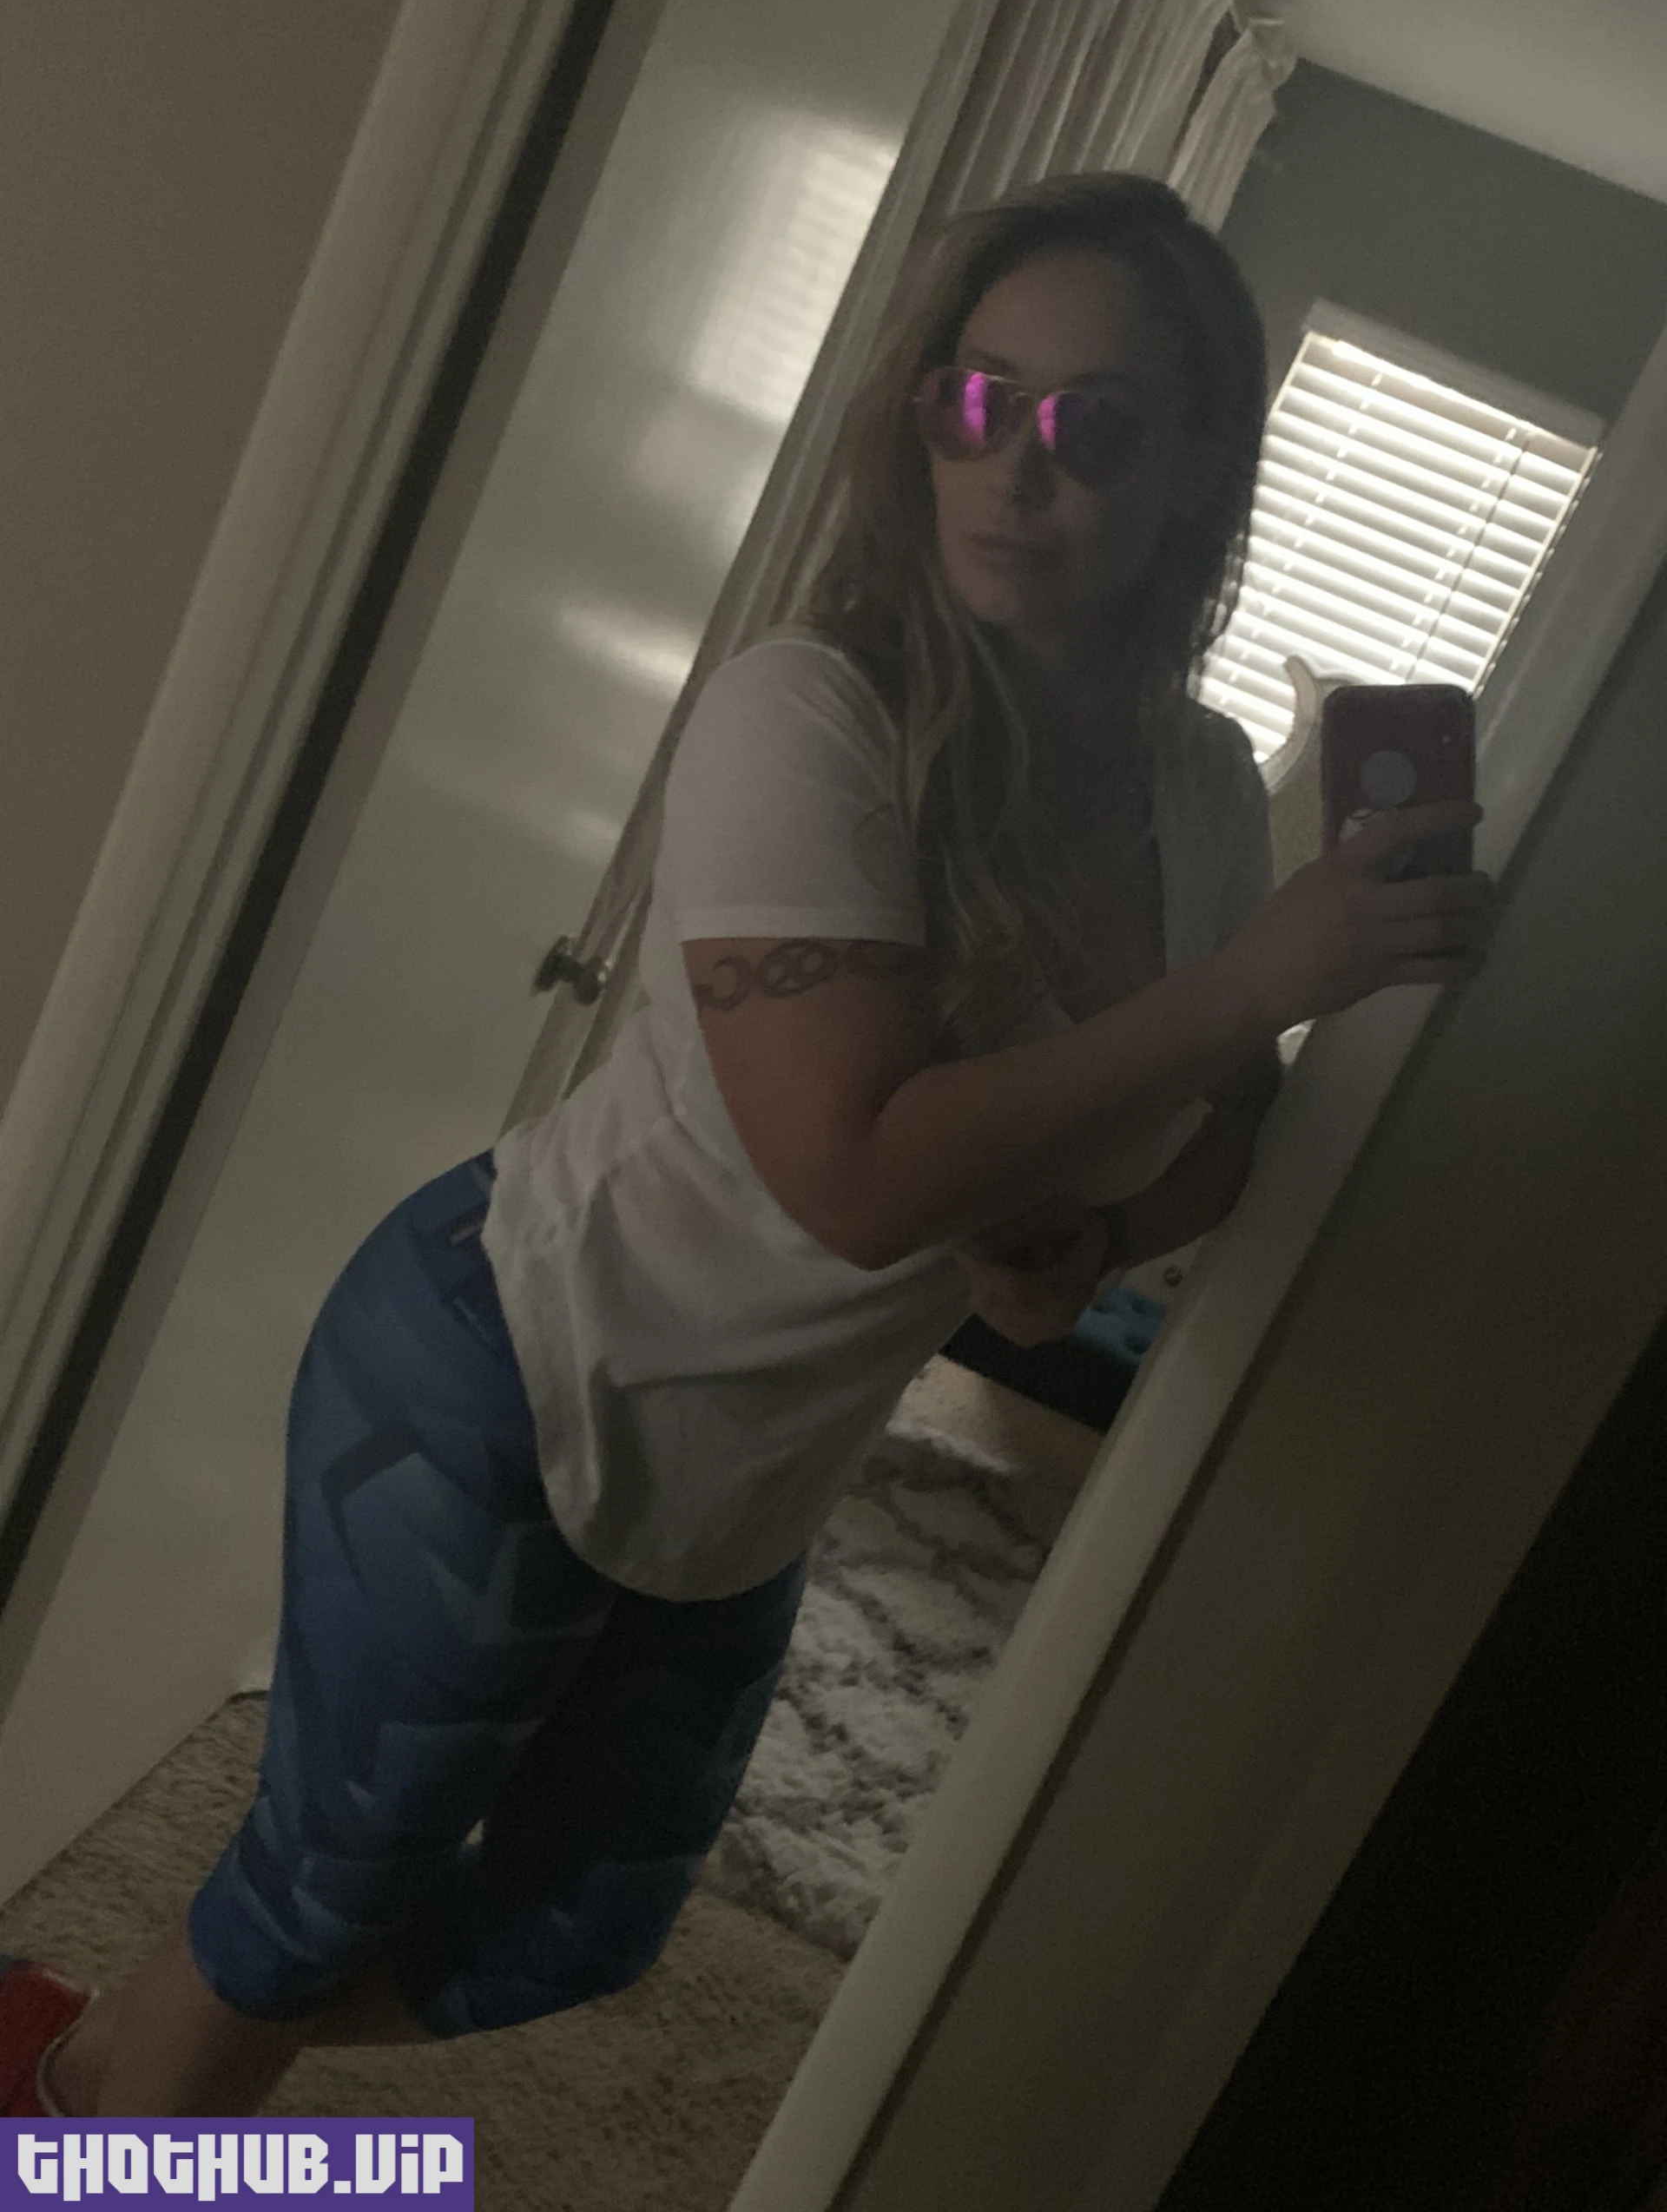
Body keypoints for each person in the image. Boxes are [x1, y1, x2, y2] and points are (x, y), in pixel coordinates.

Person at [0, 171, 1494, 2118]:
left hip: (753, 1466)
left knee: (581, 1929)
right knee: (317, 1896)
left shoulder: (1204, 788)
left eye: (1094, 423)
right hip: (517, 1361)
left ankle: (84, 2047)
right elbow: (853, 1175)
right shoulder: (809, 713)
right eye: (977, 397)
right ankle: (100, 2122)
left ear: (1200, 466)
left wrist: (1100, 1227)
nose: (1014, 465)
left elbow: (1233, 1124)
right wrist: (1255, 980)